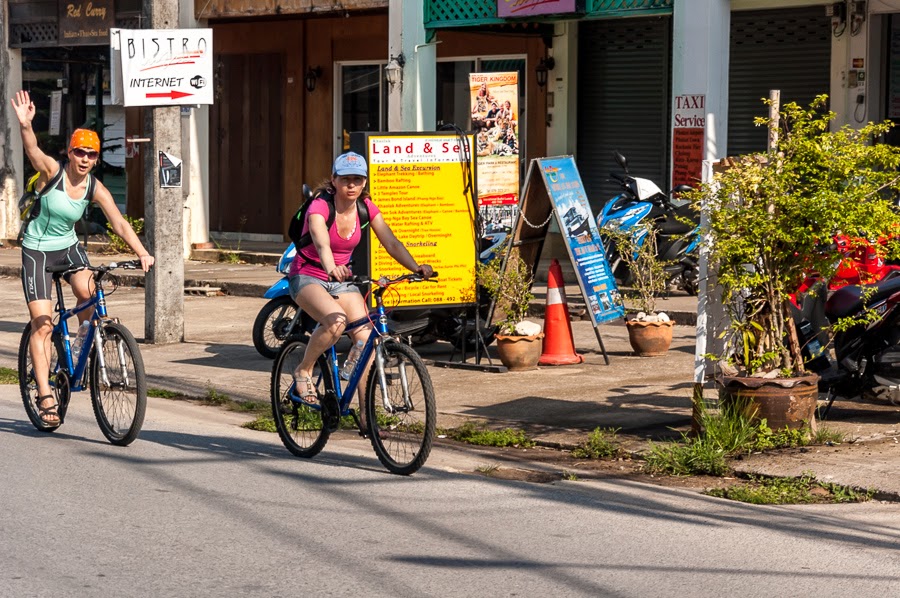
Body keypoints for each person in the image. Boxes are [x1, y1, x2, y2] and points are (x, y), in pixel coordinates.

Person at [11, 90, 154, 426]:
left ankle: (80, 346)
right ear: (69, 153)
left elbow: (118, 222)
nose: (85, 158)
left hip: (68, 247)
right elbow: (32, 151)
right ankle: (45, 393)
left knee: (91, 292)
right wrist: (25, 125)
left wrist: (142, 252)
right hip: (37, 251)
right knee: (43, 325)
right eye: (79, 152)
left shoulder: (94, 187)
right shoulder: (52, 172)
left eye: (92, 154)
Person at [289, 151, 433, 434]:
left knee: (368, 340)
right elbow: (321, 243)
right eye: (345, 179)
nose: (351, 185)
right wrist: (331, 267)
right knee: (336, 321)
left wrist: (416, 267)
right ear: (334, 180)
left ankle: (367, 417)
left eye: (357, 179)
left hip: (342, 280)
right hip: (308, 275)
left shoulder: (366, 208)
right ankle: (304, 370)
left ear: (364, 182)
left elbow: (390, 241)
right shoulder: (320, 206)